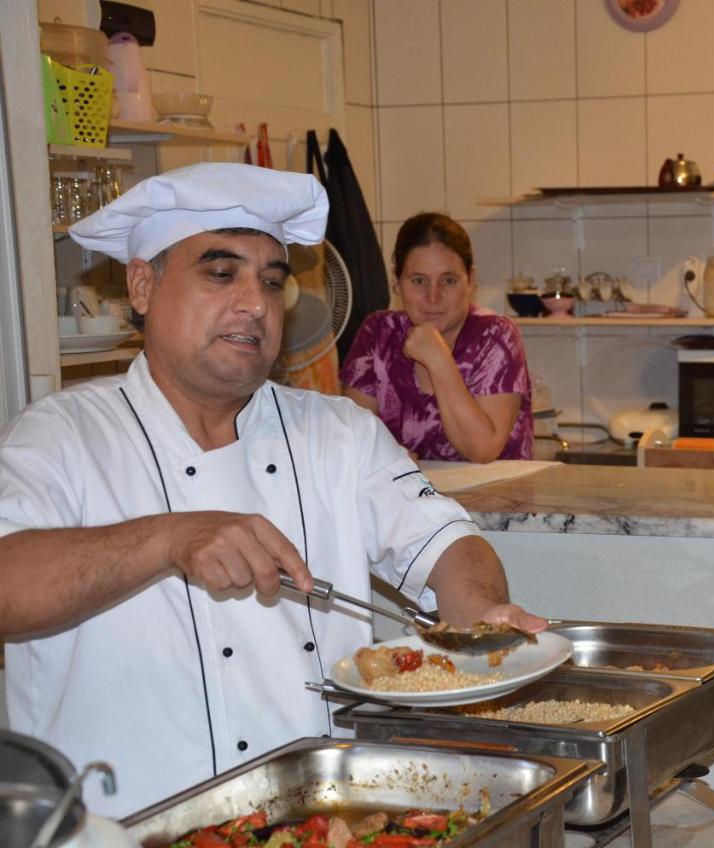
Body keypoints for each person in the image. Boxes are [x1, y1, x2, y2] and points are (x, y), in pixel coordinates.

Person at [0, 163, 545, 817]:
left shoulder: (338, 432)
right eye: (220, 273)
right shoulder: (60, 435)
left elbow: (447, 543)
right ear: (142, 285)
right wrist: (168, 539)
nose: (255, 304)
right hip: (117, 828)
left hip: (317, 819)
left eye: (271, 280)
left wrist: (481, 614)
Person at [340, 212, 533, 463]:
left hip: (499, 489)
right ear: (397, 282)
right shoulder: (378, 332)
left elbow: (482, 449)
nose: (433, 297)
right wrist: (390, 458)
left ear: (470, 281)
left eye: (448, 280)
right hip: (406, 489)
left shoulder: (495, 335)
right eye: (418, 280)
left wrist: (438, 359)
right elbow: (352, 436)